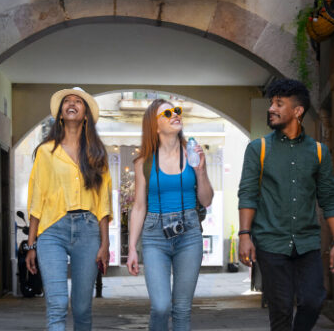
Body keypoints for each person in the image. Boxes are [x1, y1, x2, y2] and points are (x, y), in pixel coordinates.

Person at [237, 78, 334, 331]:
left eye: (279, 104)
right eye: (271, 103)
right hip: (271, 242)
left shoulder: (319, 152)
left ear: (297, 111)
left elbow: (329, 198)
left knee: (313, 300)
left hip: (307, 242)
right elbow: (248, 194)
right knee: (281, 309)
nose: (271, 108)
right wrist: (244, 235)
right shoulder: (258, 149)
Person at [24, 88, 112, 331]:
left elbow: (103, 202)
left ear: (85, 115)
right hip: (52, 230)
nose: (72, 104)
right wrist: (31, 244)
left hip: (88, 231)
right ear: (61, 114)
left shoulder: (97, 154)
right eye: (67, 101)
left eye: (78, 102)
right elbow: (36, 199)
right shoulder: (46, 152)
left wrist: (105, 244)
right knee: (58, 303)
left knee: (82, 308)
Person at [126, 99, 214, 331]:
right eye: (167, 113)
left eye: (177, 111)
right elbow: (139, 206)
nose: (175, 114)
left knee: (183, 308)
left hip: (189, 234)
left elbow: (206, 200)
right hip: (155, 236)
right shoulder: (143, 162)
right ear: (154, 126)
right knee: (162, 306)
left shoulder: (193, 154)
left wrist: (201, 170)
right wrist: (132, 248)